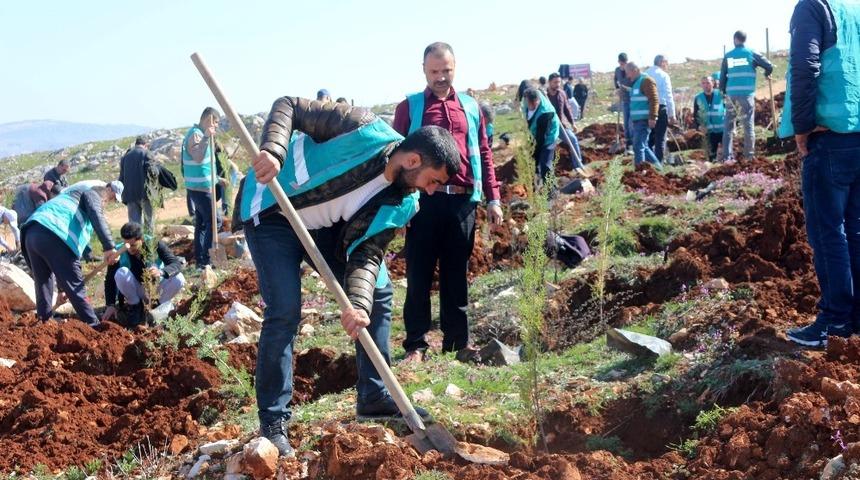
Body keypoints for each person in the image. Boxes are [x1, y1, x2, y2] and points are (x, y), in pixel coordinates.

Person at [236, 96, 456, 457]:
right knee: (285, 310)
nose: (431, 191)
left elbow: (367, 253)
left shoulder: (404, 201)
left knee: (378, 293)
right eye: (433, 181)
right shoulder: (360, 128)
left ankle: (374, 396)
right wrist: (274, 151)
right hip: (273, 209)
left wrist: (358, 306)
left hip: (324, 227)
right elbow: (290, 106)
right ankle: (273, 422)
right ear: (413, 160)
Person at [392, 42, 503, 363]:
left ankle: (458, 343)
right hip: (423, 201)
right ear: (424, 71)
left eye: (446, 70)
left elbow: (484, 152)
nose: (441, 77)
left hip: (462, 203)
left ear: (455, 68)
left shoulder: (471, 107)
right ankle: (416, 345)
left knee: (456, 275)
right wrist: (398, 205)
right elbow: (395, 157)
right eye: (434, 71)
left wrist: (493, 198)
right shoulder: (409, 108)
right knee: (419, 274)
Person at [781, 0, 860, 347]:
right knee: (854, 229)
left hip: (828, 137)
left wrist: (802, 126)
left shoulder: (812, 7)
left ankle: (836, 320)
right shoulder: (853, 9)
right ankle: (854, 318)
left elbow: (805, 65)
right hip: (857, 133)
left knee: (828, 232)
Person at [21, 181, 123, 326]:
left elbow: (61, 265)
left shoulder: (67, 197)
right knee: (76, 288)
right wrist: (109, 246)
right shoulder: (92, 192)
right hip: (55, 234)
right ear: (106, 193)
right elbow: (95, 212)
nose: (106, 204)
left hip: (32, 233)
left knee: (43, 282)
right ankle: (94, 325)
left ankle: (43, 324)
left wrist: (62, 289)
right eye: (109, 200)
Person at [102, 222, 185, 328]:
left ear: (141, 239)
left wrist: (161, 272)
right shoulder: (119, 252)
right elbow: (109, 280)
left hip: (157, 289)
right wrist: (110, 305)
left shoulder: (155, 244)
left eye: (133, 245)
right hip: (137, 290)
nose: (129, 249)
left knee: (179, 278)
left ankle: (156, 307)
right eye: (126, 245)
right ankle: (135, 307)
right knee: (121, 272)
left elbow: (175, 263)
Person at [720, 30, 774, 161]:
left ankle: (727, 157)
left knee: (728, 126)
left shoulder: (728, 56)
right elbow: (769, 66)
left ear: (735, 39)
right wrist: (766, 74)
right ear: (745, 39)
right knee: (748, 126)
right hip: (747, 95)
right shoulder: (751, 53)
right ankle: (749, 156)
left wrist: (723, 92)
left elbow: (722, 77)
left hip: (731, 95)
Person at [181, 107, 222, 268]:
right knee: (215, 221)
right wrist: (206, 137)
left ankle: (200, 259)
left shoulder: (198, 134)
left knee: (203, 224)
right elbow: (198, 157)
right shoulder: (196, 134)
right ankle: (206, 259)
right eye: (215, 122)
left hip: (200, 186)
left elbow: (204, 163)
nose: (216, 126)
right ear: (208, 120)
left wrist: (217, 179)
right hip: (200, 188)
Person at [546, 73, 586, 173]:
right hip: (548, 127)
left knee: (573, 139)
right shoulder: (544, 96)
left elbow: (567, 109)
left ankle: (578, 165)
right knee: (547, 148)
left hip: (561, 125)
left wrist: (573, 123)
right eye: (555, 82)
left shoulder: (562, 93)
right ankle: (546, 171)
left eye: (559, 82)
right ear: (549, 82)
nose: (557, 84)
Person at [625, 62, 662, 169]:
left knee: (638, 146)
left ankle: (639, 171)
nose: (628, 76)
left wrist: (653, 117)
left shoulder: (646, 81)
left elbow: (654, 100)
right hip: (637, 120)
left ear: (635, 70)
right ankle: (658, 168)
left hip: (644, 120)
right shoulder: (636, 83)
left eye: (628, 72)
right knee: (643, 146)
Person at [119, 136, 158, 233]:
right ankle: (149, 241)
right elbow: (153, 173)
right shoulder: (147, 154)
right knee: (149, 222)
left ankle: (135, 242)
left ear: (136, 144)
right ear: (146, 145)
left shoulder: (125, 157)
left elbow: (121, 177)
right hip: (145, 194)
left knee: (134, 226)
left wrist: (122, 195)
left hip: (130, 195)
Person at [523, 87, 560, 183]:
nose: (530, 106)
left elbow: (541, 139)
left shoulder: (546, 112)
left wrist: (535, 154)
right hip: (534, 134)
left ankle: (551, 189)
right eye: (528, 103)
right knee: (531, 162)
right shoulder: (526, 101)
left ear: (537, 100)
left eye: (533, 104)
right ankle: (535, 185)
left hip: (548, 136)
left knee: (545, 164)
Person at [645, 55, 676, 162]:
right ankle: (659, 163)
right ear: (662, 62)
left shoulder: (645, 74)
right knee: (660, 138)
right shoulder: (663, 75)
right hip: (660, 107)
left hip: (647, 107)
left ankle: (647, 162)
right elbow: (668, 96)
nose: (667, 65)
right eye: (666, 62)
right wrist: (672, 114)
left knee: (648, 137)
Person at [692, 76, 725, 161]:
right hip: (708, 132)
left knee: (725, 154)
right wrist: (699, 126)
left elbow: (730, 110)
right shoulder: (698, 98)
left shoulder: (721, 95)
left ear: (713, 83)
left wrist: (732, 126)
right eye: (703, 83)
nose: (706, 85)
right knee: (711, 155)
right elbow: (695, 115)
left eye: (708, 83)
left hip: (723, 130)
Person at [615, 53, 633, 153]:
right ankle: (628, 145)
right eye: (622, 63)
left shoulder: (630, 70)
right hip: (624, 100)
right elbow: (616, 80)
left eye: (625, 63)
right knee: (626, 123)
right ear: (619, 62)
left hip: (633, 100)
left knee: (631, 123)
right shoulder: (617, 70)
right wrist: (617, 89)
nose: (623, 65)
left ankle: (634, 144)